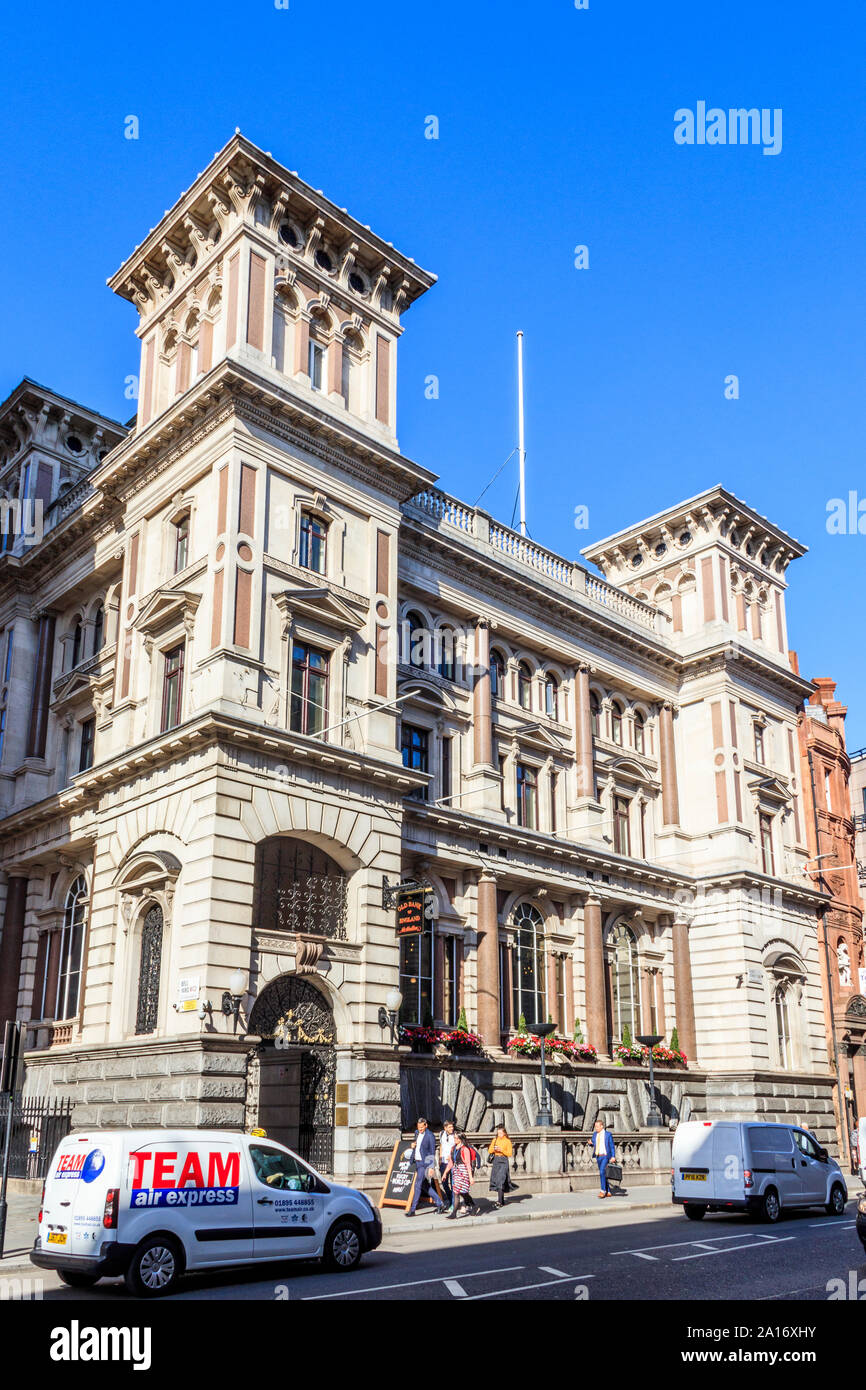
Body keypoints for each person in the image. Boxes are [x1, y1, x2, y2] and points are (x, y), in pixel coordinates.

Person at [404, 1116, 444, 1216]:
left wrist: (431, 1167)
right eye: (418, 1127)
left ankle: (412, 1210)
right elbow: (417, 1146)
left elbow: (431, 1151)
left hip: (424, 1164)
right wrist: (413, 1146)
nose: (420, 1129)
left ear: (426, 1125)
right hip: (417, 1162)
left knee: (417, 1185)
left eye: (421, 1127)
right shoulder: (417, 1133)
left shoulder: (430, 1136)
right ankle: (440, 1203)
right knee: (425, 1186)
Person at [443, 1129, 479, 1218]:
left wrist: (470, 1177)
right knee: (457, 1192)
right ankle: (454, 1213)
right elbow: (451, 1162)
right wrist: (445, 1173)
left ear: (460, 1139)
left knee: (462, 1192)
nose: (454, 1139)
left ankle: (472, 1206)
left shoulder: (465, 1149)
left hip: (463, 1172)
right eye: (454, 1138)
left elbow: (467, 1164)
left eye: (456, 1138)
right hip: (456, 1171)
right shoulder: (453, 1148)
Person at [487, 1124, 514, 1208]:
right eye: (498, 1133)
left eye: (501, 1133)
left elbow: (509, 1153)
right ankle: (501, 1201)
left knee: (501, 1180)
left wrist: (501, 1150)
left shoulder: (507, 1141)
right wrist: (495, 1149)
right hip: (496, 1160)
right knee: (497, 1180)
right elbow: (490, 1150)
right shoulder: (495, 1140)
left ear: (504, 1133)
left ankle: (499, 1201)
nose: (499, 1135)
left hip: (503, 1161)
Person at [588, 1117, 615, 1198]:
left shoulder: (608, 1134)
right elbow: (593, 1142)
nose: (596, 1128)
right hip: (598, 1156)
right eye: (595, 1126)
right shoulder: (595, 1134)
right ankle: (608, 1191)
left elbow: (612, 1146)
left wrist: (613, 1156)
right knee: (604, 1173)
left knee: (601, 1172)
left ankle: (602, 1191)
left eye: (597, 1126)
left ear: (602, 1126)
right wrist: (590, 1143)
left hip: (605, 1156)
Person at [438, 1119, 458, 1205]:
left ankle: (453, 1204)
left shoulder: (455, 1136)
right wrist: (440, 1157)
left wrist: (452, 1156)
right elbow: (441, 1145)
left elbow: (457, 1147)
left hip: (452, 1163)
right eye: (449, 1127)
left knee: (453, 1183)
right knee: (444, 1182)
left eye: (452, 1126)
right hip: (443, 1162)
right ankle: (450, 1199)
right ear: (445, 1128)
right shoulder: (441, 1133)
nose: (452, 1128)